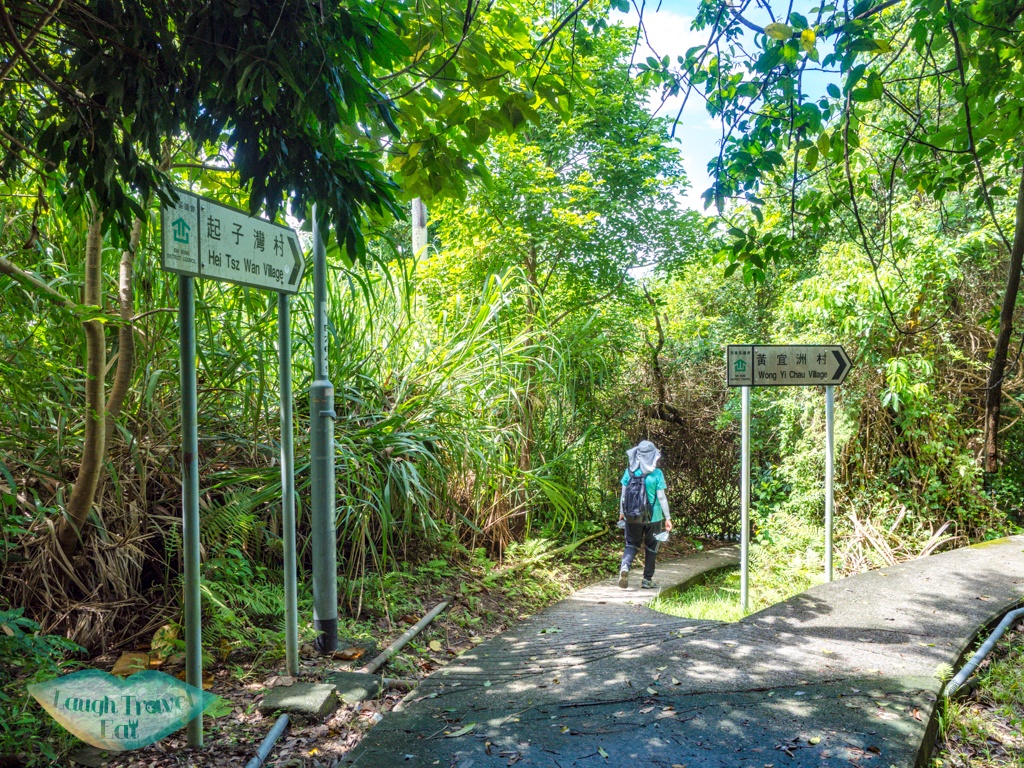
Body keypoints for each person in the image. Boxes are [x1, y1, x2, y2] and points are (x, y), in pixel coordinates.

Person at [617, 440, 672, 589]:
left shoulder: (629, 471)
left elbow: (623, 495)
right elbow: (661, 497)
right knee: (651, 546)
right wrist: (668, 517)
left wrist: (622, 513)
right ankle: (647, 580)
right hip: (653, 518)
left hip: (631, 516)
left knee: (631, 544)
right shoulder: (657, 473)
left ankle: (625, 567)